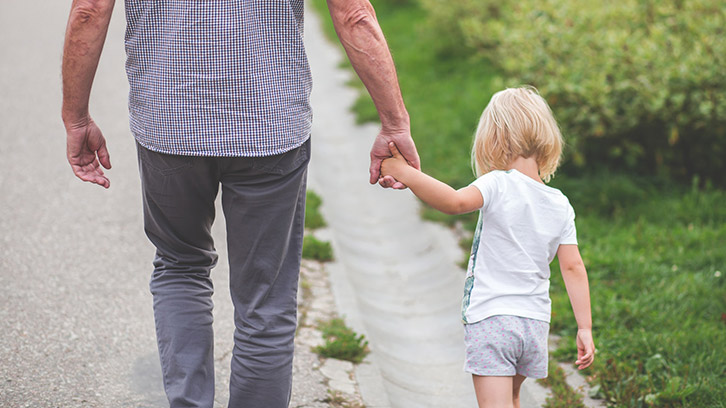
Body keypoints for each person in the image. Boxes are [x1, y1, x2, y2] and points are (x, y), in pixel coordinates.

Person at [61, 0, 418, 407]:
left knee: (180, 267)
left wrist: (76, 117)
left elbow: (89, 10)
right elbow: (353, 13)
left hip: (169, 122)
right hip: (270, 125)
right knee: (266, 299)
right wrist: (393, 122)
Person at [380, 87, 595, 408]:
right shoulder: (560, 203)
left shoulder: (498, 183)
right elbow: (573, 267)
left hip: (494, 321)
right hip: (534, 325)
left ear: (494, 140)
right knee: (511, 397)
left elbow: (454, 202)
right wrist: (585, 327)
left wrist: (406, 173)